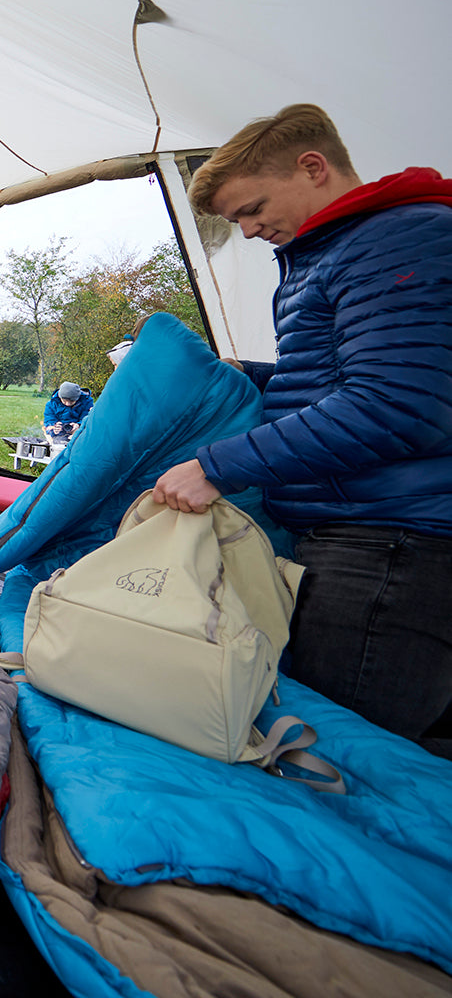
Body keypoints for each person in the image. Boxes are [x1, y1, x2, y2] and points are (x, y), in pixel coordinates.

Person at [151, 103, 452, 757]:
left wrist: (215, 466)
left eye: (253, 208)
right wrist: (240, 376)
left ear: (313, 167)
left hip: (392, 546)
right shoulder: (333, 254)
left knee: (345, 754)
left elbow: (398, 406)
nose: (249, 230)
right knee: (375, 746)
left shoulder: (396, 239)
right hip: (369, 530)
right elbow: (340, 380)